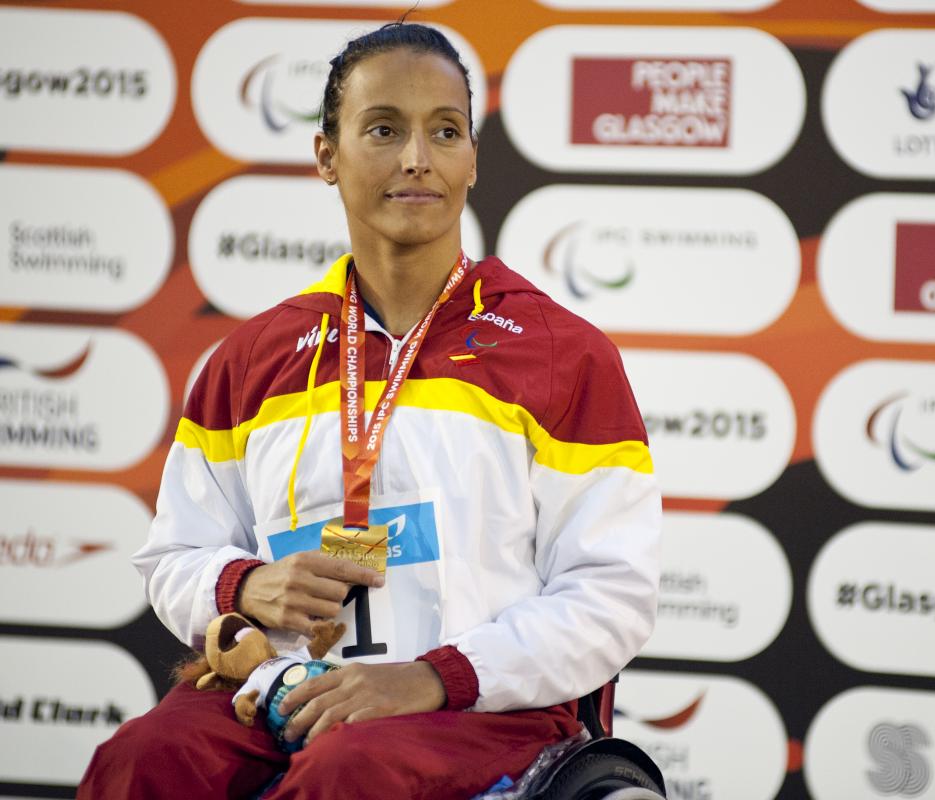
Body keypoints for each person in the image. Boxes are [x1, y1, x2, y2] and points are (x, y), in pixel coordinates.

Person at [78, 21, 660, 799]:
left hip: (481, 710)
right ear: (328, 155)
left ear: (471, 159)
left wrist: (429, 677)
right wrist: (243, 588)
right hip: (279, 692)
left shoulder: (561, 352)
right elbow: (173, 555)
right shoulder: (252, 359)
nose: (417, 158)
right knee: (139, 761)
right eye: (384, 129)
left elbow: (611, 592)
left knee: (350, 773)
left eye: (445, 131)